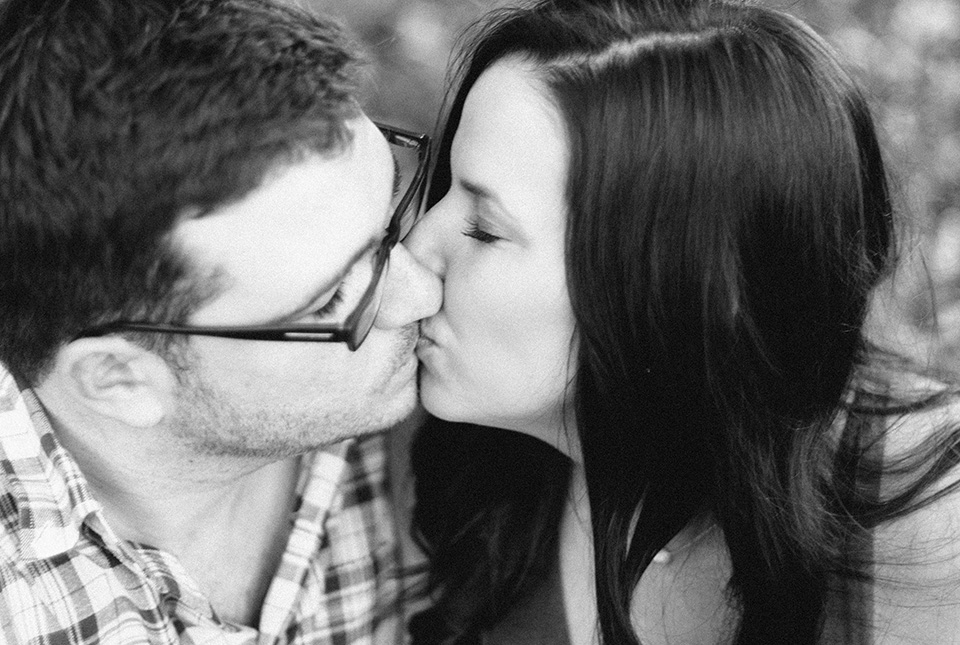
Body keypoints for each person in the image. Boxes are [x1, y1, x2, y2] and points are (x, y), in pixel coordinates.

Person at [404, 0, 960, 643]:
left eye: (484, 229)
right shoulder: (445, 459)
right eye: (443, 186)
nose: (415, 251)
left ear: (675, 286)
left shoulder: (929, 525)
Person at [0, 0, 440, 643]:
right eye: (331, 303)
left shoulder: (451, 406)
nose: (423, 293)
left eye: (392, 217)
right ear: (119, 378)